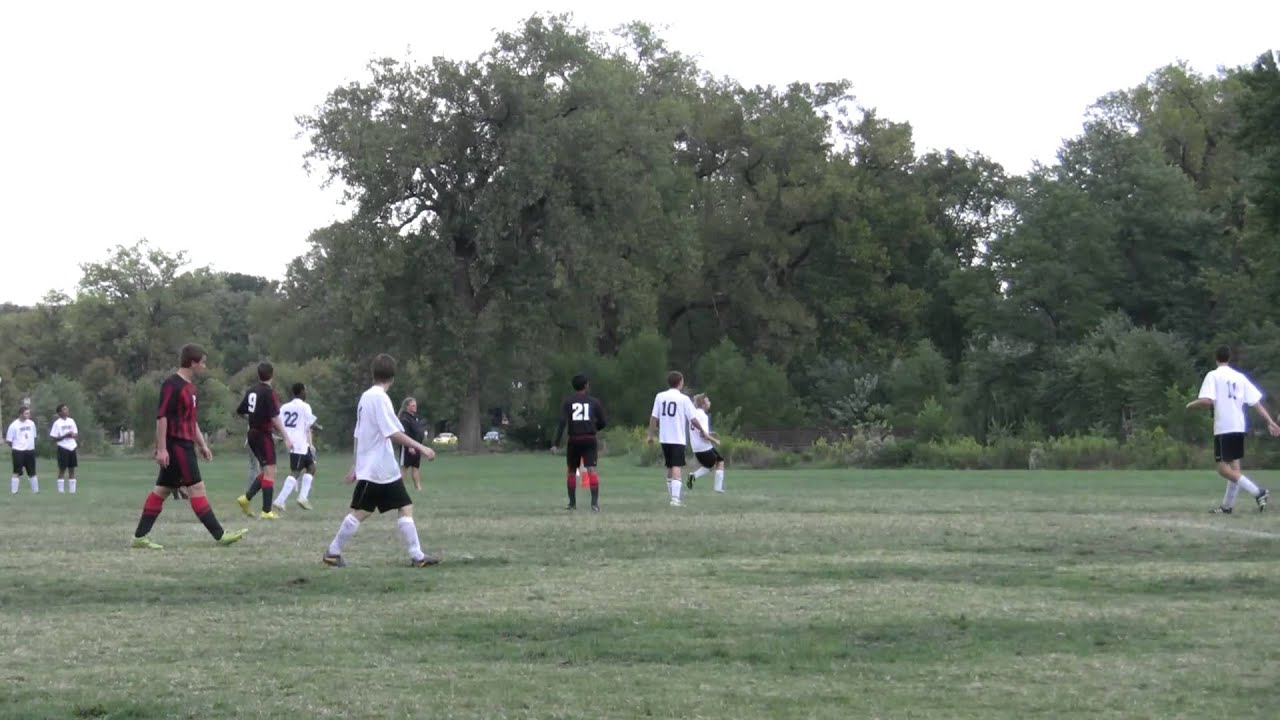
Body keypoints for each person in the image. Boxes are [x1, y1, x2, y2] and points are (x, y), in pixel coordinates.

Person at [322, 353, 440, 568]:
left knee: (403, 506)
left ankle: (417, 556)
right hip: (377, 468)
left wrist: (355, 464)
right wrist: (421, 447)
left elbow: (358, 433)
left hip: (379, 468)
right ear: (393, 377)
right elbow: (392, 432)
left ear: (373, 374)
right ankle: (332, 552)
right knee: (363, 511)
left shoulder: (366, 397)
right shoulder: (380, 398)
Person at [131, 344, 247, 549]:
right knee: (196, 487)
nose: (204, 366)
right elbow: (162, 417)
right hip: (177, 446)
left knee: (161, 491)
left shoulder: (191, 388)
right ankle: (220, 535)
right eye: (202, 362)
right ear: (192, 363)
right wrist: (162, 448)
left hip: (186, 445)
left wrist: (203, 445)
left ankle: (140, 537)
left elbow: (191, 422)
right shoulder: (171, 384)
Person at [1186, 345, 1280, 513]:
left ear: (1216, 358)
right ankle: (1227, 507)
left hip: (1224, 426)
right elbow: (1255, 403)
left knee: (1223, 469)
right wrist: (1270, 421)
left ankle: (1258, 492)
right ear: (1229, 358)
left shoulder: (1213, 375)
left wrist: (1191, 404)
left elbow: (1207, 400)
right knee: (1234, 468)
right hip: (1238, 426)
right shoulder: (1240, 377)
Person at [646, 371, 715, 507]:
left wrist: (650, 435)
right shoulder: (683, 399)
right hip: (677, 437)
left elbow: (654, 417)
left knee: (669, 466)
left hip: (664, 438)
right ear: (680, 382)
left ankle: (673, 496)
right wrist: (703, 431)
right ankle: (675, 500)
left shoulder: (660, 396)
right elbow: (693, 419)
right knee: (677, 466)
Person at [235, 362, 292, 519]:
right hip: (262, 435)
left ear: (258, 375)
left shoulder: (251, 391)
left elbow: (240, 410)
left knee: (267, 471)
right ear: (272, 375)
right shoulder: (269, 392)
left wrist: (253, 419)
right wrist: (286, 437)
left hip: (252, 433)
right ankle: (266, 511)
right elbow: (274, 417)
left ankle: (246, 499)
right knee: (270, 471)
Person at [552, 374, 608, 511]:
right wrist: (594, 428)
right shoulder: (594, 402)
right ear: (586, 385)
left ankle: (572, 504)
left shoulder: (568, 402)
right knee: (591, 470)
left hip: (574, 440)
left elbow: (562, 422)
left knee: (572, 471)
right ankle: (594, 504)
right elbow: (603, 422)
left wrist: (556, 443)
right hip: (589, 439)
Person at [274, 382, 319, 511]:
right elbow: (310, 424)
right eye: (305, 390)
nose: (306, 393)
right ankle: (280, 500)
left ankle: (303, 497)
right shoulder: (305, 407)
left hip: (294, 442)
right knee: (296, 471)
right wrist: (319, 427)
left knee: (311, 467)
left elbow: (278, 423)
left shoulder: (284, 407)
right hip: (298, 443)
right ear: (301, 392)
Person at [688, 393, 726, 493]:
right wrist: (715, 440)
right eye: (708, 401)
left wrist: (710, 433)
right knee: (717, 463)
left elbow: (700, 432)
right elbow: (703, 435)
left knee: (714, 464)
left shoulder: (694, 413)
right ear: (703, 403)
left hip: (697, 447)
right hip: (703, 447)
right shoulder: (703, 416)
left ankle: (693, 476)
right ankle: (717, 488)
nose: (710, 403)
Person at [6, 406, 38, 494]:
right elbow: (9, 440)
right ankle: (14, 491)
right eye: (26, 413)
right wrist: (17, 447)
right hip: (18, 451)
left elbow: (33, 436)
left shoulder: (31, 424)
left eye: (29, 413)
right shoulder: (14, 425)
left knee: (32, 472)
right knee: (17, 471)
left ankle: (36, 491)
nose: (28, 415)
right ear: (21, 414)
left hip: (30, 451)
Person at [49, 403, 79, 494]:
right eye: (64, 409)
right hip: (63, 447)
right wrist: (65, 435)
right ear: (59, 412)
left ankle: (72, 491)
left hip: (72, 446)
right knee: (62, 469)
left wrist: (72, 435)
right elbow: (54, 438)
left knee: (72, 469)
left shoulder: (71, 421)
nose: (67, 411)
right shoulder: (57, 423)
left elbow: (76, 433)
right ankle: (61, 491)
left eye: (67, 409)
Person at [398, 397, 426, 491]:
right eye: (412, 405)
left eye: (415, 405)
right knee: (404, 468)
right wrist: (410, 446)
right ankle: (399, 489)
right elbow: (404, 433)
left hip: (416, 446)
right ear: (407, 406)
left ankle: (418, 488)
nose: (415, 407)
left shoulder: (414, 418)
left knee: (415, 467)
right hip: (407, 447)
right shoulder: (404, 418)